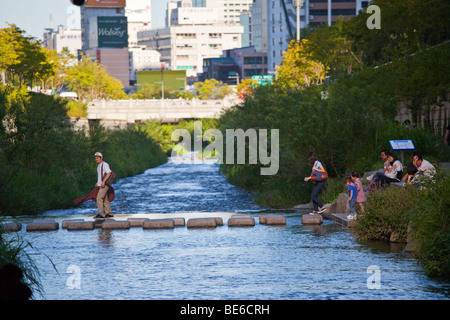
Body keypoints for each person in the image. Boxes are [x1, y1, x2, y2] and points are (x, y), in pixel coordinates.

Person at [94, 152, 114, 219]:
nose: (96, 159)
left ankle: (101, 214)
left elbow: (109, 173)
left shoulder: (105, 164)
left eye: (97, 158)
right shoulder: (98, 166)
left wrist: (103, 182)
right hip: (101, 184)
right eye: (95, 158)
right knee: (105, 199)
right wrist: (98, 182)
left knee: (99, 198)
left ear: (101, 158)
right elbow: (100, 175)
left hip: (104, 185)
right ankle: (109, 213)